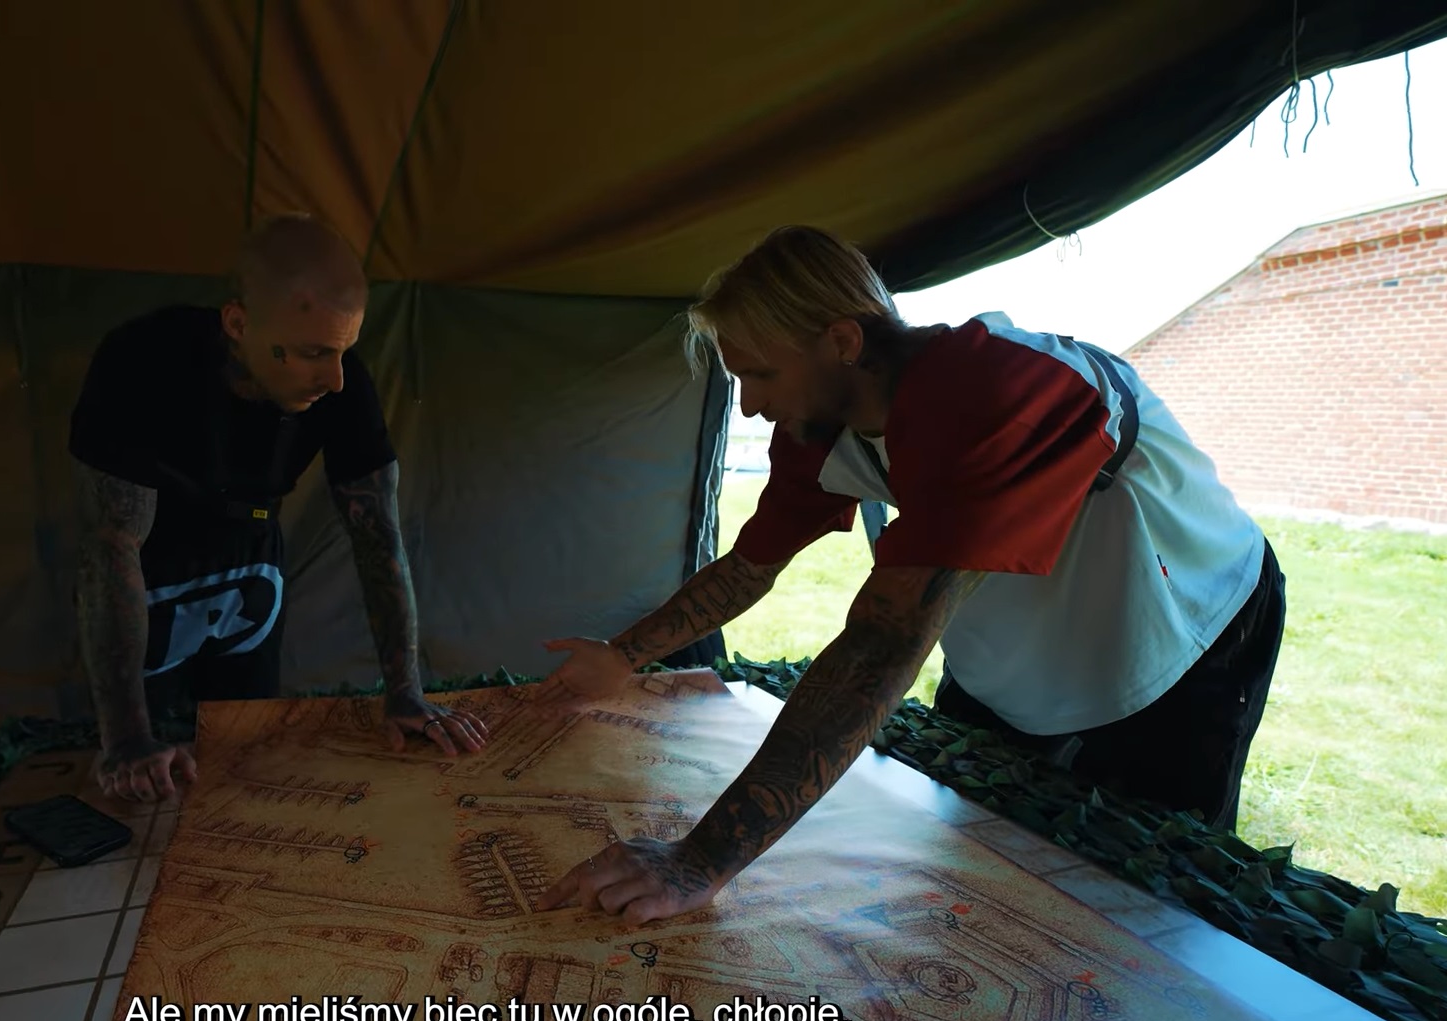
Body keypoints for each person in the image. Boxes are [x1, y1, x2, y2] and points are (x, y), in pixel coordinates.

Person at [534, 224, 1285, 927]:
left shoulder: (999, 392)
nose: (752, 406)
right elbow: (751, 565)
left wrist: (699, 862)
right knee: (971, 851)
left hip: (1181, 631)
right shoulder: (819, 423)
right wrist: (623, 655)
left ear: (842, 341)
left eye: (760, 374)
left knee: (1145, 895)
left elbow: (882, 645)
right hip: (1018, 643)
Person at [68, 213, 486, 804]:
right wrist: (127, 738)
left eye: (344, 351)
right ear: (238, 324)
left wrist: (405, 693)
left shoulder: (342, 380)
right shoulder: (142, 359)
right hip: (150, 571)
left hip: (252, 568)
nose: (335, 379)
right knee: (143, 778)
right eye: (314, 352)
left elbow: (379, 536)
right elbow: (111, 543)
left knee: (244, 756)